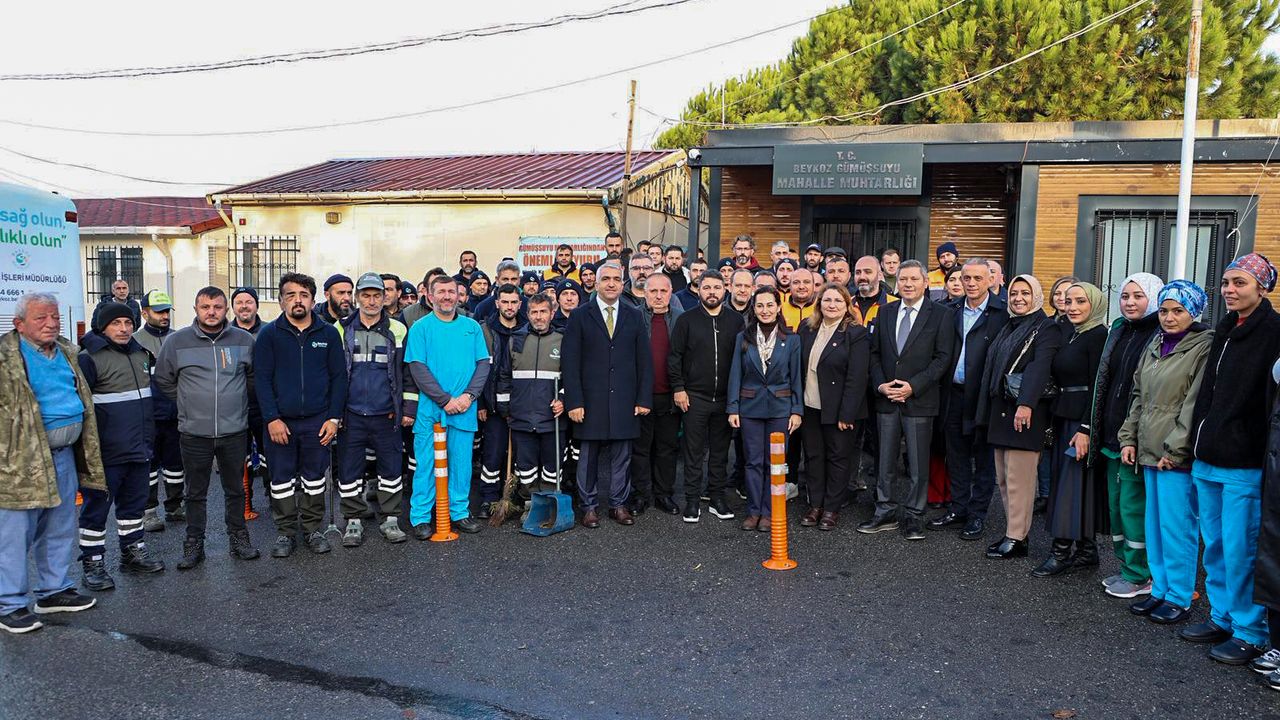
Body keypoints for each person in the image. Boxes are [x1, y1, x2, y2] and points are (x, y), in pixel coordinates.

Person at [1184, 253, 1280, 664]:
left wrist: (1253, 445)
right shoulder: (1224, 329)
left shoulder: (1274, 331)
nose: (1229, 290)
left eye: (1239, 282)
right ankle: (1222, 616)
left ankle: (1250, 631)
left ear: (1262, 287)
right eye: (1225, 282)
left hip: (1244, 461)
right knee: (1216, 547)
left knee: (1242, 550)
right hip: (1208, 456)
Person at [0, 293, 105, 633]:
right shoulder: (5, 358)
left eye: (55, 317)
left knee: (59, 526)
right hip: (19, 463)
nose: (51, 323)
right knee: (14, 534)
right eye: (41, 318)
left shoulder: (65, 351)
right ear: (19, 324)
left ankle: (53, 591)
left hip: (63, 456)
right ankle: (9, 604)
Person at [1118, 280, 1212, 623]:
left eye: (1178, 311)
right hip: (1148, 448)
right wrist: (1128, 437)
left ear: (1194, 312)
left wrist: (1176, 448)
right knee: (1154, 526)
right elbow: (1138, 395)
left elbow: (1194, 404)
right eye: (1164, 311)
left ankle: (1179, 595)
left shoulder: (1203, 347)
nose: (1169, 318)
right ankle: (1159, 588)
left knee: (1177, 528)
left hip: (1174, 456)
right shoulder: (1156, 343)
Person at [154, 286, 259, 569]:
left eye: (217, 307)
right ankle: (194, 543)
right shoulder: (176, 342)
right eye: (205, 307)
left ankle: (239, 538)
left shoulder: (244, 340)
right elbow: (163, 379)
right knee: (195, 492)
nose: (211, 312)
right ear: (196, 309)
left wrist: (236, 402)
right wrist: (187, 402)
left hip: (234, 430)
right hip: (194, 432)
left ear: (226, 309)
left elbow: (252, 379)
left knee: (235, 489)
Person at [859, 260, 956, 541]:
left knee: (917, 463)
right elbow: (874, 354)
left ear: (926, 282)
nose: (908, 284)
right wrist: (881, 385)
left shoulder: (941, 315)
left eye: (914, 279)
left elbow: (943, 359)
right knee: (884, 461)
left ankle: (914, 515)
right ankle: (885, 511)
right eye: (903, 279)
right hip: (887, 398)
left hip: (920, 400)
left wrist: (913, 387)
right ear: (896, 282)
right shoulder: (886, 312)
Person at [255, 273, 348, 558]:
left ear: (313, 300)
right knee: (281, 480)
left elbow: (339, 378)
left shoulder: (328, 334)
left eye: (304, 295)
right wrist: (272, 418)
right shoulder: (269, 335)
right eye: (291, 295)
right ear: (281, 301)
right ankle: (285, 532)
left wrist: (333, 418)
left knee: (314, 478)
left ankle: (311, 529)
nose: (298, 300)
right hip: (280, 422)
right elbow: (262, 379)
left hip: (318, 421)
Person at [76, 302, 166, 590]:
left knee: (134, 505)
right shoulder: (89, 358)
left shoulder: (141, 354)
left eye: (128, 323)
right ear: (102, 327)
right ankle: (93, 562)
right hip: (105, 452)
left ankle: (132, 552)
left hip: (139, 447)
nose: (124, 329)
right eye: (116, 323)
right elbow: (80, 407)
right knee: (96, 510)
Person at [1090, 273, 1165, 599]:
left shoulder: (1160, 333)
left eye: (1138, 296)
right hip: (1111, 435)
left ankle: (1140, 574)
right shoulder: (1120, 329)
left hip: (1135, 439)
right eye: (1125, 296)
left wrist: (1132, 436)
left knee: (1134, 509)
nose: (1130, 302)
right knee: (1118, 508)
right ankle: (1127, 568)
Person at [977, 275, 1063, 559]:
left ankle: (1017, 537)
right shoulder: (1010, 324)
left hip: (1025, 414)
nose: (1018, 298)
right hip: (1002, 411)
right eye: (1014, 293)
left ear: (1036, 296)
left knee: (1020, 481)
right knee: (1004, 479)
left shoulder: (1046, 327)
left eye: (1026, 293)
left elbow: (1040, 367)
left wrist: (1026, 404)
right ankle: (1014, 534)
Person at [562, 261, 653, 528]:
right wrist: (574, 401)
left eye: (616, 279)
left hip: (625, 399)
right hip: (590, 401)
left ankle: (618, 504)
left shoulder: (634, 315)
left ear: (623, 284)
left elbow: (644, 361)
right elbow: (570, 362)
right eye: (606, 279)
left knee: (622, 456)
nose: (611, 283)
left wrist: (643, 399)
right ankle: (589, 506)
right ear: (596, 283)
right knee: (588, 457)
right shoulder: (580, 315)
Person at [404, 275, 490, 538]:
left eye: (451, 291)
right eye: (440, 292)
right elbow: (417, 368)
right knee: (427, 465)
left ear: (459, 295)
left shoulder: (472, 327)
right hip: (431, 410)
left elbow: (483, 364)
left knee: (461, 465)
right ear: (430, 296)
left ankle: (459, 512)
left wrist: (468, 397)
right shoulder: (420, 328)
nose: (447, 296)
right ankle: (421, 516)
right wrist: (445, 400)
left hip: (464, 408)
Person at [1033, 282, 1109, 578]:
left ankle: (1061, 552)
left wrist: (1087, 428)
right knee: (1073, 485)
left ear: (1094, 304)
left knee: (1069, 486)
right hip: (1064, 417)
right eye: (1068, 301)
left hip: (1081, 423)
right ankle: (1087, 550)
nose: (1072, 307)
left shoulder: (1098, 336)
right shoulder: (1071, 332)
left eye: (1080, 301)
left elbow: (1099, 386)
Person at [929, 259, 1007, 540]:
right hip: (953, 394)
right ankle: (958, 508)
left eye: (977, 278)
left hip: (984, 396)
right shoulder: (949, 311)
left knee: (983, 460)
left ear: (990, 280)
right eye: (967, 278)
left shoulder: (1002, 314)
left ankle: (977, 515)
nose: (971, 283)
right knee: (956, 455)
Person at [334, 273, 410, 547]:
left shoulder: (398, 329)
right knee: (350, 469)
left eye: (377, 295)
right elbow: (333, 373)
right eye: (365, 295)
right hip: (351, 414)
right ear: (357, 298)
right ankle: (353, 520)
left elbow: (406, 372)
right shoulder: (340, 328)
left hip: (386, 413)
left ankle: (390, 519)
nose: (371, 301)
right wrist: (334, 412)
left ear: (385, 297)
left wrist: (406, 408)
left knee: (390, 468)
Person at [728, 286, 803, 531]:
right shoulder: (743, 338)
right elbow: (735, 374)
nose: (765, 310)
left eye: (770, 305)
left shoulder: (791, 340)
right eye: (760, 305)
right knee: (753, 462)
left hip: (781, 409)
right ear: (754, 308)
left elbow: (796, 378)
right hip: (749, 408)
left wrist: (797, 410)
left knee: (776, 463)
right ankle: (753, 511)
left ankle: (770, 511)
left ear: (779, 307)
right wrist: (733, 408)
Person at [672, 272, 745, 521]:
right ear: (699, 290)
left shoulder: (736, 321)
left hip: (725, 398)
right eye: (706, 287)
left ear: (725, 289)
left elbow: (743, 358)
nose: (712, 292)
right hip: (694, 397)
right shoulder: (686, 320)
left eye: (716, 287)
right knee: (693, 453)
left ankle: (717, 498)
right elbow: (675, 356)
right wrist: (678, 388)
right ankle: (692, 501)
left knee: (720, 453)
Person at [797, 283, 869, 530]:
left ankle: (831, 509)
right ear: (819, 304)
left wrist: (847, 414)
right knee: (813, 457)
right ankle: (815, 505)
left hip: (839, 410)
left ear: (847, 305)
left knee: (838, 458)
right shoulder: (806, 328)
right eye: (827, 300)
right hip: (810, 405)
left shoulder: (856, 333)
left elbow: (857, 377)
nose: (832, 305)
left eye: (838, 301)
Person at [495, 293, 565, 499]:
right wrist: (505, 408)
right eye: (534, 312)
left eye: (543, 311)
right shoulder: (516, 340)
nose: (539, 316)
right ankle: (529, 504)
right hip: (521, 418)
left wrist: (563, 400)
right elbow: (504, 376)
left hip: (552, 419)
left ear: (552, 313)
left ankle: (550, 505)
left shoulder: (562, 340)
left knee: (552, 469)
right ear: (527, 314)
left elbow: (573, 377)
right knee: (526, 470)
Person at [133, 290, 185, 531]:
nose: (164, 316)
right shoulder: (134, 342)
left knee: (176, 465)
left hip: (176, 414)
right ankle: (149, 511)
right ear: (145, 313)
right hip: (148, 416)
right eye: (159, 312)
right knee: (149, 466)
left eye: (166, 311)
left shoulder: (179, 338)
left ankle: (175, 506)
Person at [632, 273, 683, 514]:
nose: (659, 296)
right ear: (644, 293)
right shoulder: (633, 317)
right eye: (653, 291)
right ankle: (640, 495)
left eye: (663, 291)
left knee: (667, 447)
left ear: (671, 293)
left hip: (670, 395)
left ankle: (664, 494)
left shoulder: (681, 319)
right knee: (640, 448)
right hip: (641, 395)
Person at [476, 285, 525, 519]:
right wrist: (481, 403)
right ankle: (489, 498)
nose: (509, 306)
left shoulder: (526, 330)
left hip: (521, 404)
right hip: (492, 404)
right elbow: (476, 370)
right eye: (505, 302)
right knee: (493, 452)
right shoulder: (484, 331)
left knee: (519, 454)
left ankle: (513, 496)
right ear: (497, 303)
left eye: (514, 302)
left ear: (520, 304)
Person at [1037, 275, 1080, 513]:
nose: (1062, 298)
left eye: (1068, 294)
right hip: (1046, 394)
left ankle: (1059, 495)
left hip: (1067, 395)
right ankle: (1045, 494)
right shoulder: (1047, 324)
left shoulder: (1079, 327)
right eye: (1058, 293)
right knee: (1045, 445)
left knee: (1063, 447)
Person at [228, 287, 268, 518]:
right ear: (233, 307)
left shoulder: (269, 331)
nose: (244, 306)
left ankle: (274, 499)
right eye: (239, 302)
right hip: (234, 407)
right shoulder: (224, 334)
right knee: (239, 459)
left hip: (264, 406)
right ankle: (244, 504)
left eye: (249, 301)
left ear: (257, 305)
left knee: (269, 455)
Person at [853, 256, 899, 327]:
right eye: (858, 273)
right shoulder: (846, 304)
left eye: (868, 272)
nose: (862, 277)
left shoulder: (895, 304)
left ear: (880, 275)